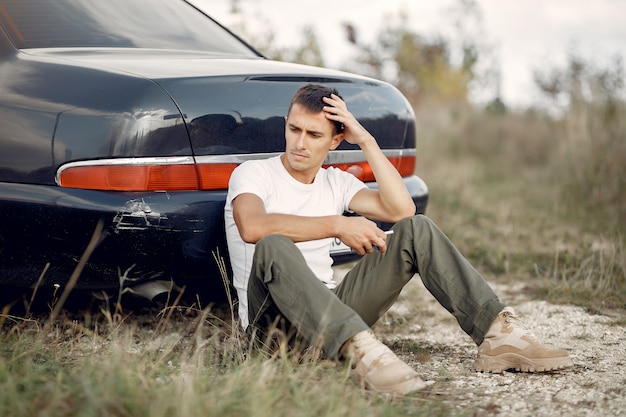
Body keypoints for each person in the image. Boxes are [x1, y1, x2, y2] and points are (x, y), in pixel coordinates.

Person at [224, 83, 572, 397]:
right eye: (294, 129)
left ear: (334, 141)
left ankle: (498, 335)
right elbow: (253, 227)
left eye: (314, 135)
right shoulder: (254, 174)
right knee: (274, 244)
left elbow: (401, 209)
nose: (300, 143)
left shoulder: (335, 182)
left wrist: (367, 140)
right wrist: (337, 225)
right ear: (285, 123)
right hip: (272, 332)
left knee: (416, 228)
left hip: (330, 314)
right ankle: (359, 349)